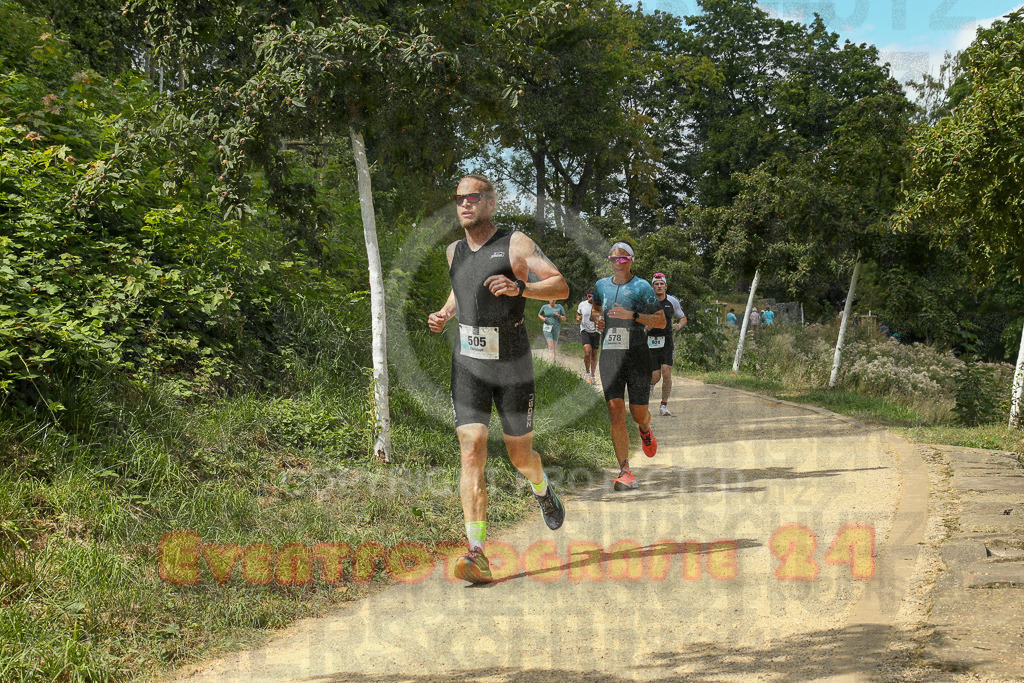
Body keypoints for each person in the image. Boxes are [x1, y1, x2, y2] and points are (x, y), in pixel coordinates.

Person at [427, 174, 568, 584]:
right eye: (458, 198)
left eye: (473, 198)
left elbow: (560, 287)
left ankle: (542, 489)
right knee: (471, 447)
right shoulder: (453, 250)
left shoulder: (516, 244)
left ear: (490, 203)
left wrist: (520, 287)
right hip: (469, 365)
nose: (464, 204)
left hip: (513, 368)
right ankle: (476, 552)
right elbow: (461, 290)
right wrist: (445, 313)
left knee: (520, 457)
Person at [591, 242, 665, 491]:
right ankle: (625, 471)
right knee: (615, 411)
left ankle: (645, 429)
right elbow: (595, 312)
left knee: (637, 413)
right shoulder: (601, 285)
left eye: (622, 259)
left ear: (631, 261)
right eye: (613, 258)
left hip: (637, 354)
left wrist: (631, 316)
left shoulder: (642, 287)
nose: (617, 262)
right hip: (610, 355)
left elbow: (660, 321)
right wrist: (599, 321)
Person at [647, 273, 687, 417]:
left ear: (665, 286)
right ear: (652, 287)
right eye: (656, 284)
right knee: (655, 376)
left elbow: (682, 317)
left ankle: (664, 405)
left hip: (667, 342)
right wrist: (648, 326)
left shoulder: (672, 301)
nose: (659, 286)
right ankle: (649, 387)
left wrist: (679, 325)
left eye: (661, 284)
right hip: (651, 342)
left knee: (667, 372)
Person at [576, 291, 600, 383]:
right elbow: (578, 315)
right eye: (589, 296)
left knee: (594, 354)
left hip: (596, 331)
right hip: (585, 330)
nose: (591, 298)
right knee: (587, 353)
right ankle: (588, 373)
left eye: (592, 296)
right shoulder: (582, 304)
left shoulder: (599, 306)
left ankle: (593, 375)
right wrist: (578, 318)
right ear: (587, 296)